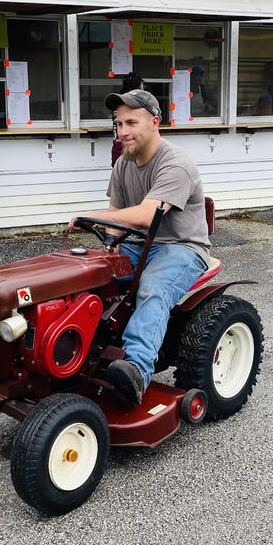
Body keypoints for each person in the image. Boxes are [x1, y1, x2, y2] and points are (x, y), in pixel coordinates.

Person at [70, 89, 211, 406]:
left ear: (154, 122)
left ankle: (135, 370)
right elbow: (115, 213)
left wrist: (91, 216)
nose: (123, 132)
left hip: (182, 246)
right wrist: (110, 246)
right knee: (91, 276)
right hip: (137, 243)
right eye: (119, 124)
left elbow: (147, 215)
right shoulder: (123, 163)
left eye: (131, 123)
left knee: (152, 287)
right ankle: (79, 353)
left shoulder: (176, 164)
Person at [111, 72, 144, 166]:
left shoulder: (117, 102)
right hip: (131, 148)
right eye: (141, 85)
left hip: (117, 147)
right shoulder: (135, 105)